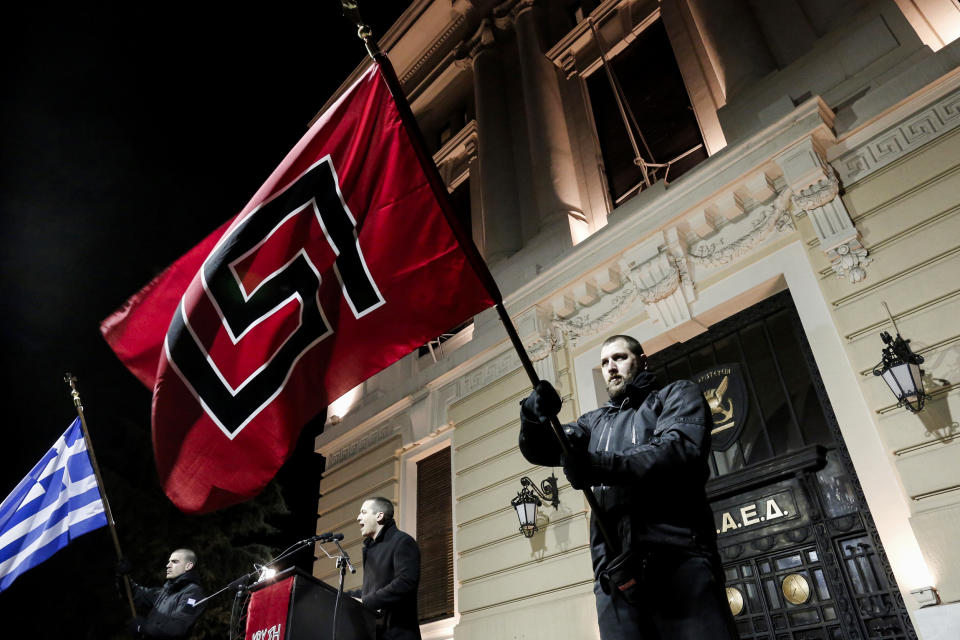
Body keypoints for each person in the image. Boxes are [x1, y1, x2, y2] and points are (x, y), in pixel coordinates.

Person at [519, 335, 738, 639]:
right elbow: (543, 449)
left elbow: (676, 450)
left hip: (679, 560)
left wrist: (598, 465)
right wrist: (531, 416)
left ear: (642, 360)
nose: (610, 367)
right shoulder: (592, 423)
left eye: (619, 358)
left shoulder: (677, 395)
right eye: (605, 362)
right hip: (615, 577)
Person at [354, 497, 422, 640]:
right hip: (376, 633)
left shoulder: (403, 541)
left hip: (398, 635)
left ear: (379, 516)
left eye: (363, 512)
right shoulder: (370, 548)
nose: (358, 518)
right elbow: (374, 589)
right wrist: (345, 596)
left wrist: (366, 602)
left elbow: (405, 582)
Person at [126, 548, 205, 639]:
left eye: (174, 562)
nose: (168, 565)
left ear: (188, 566)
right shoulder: (165, 591)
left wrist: (143, 628)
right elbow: (136, 593)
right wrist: (124, 577)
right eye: (169, 561)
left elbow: (177, 627)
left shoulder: (193, 594)